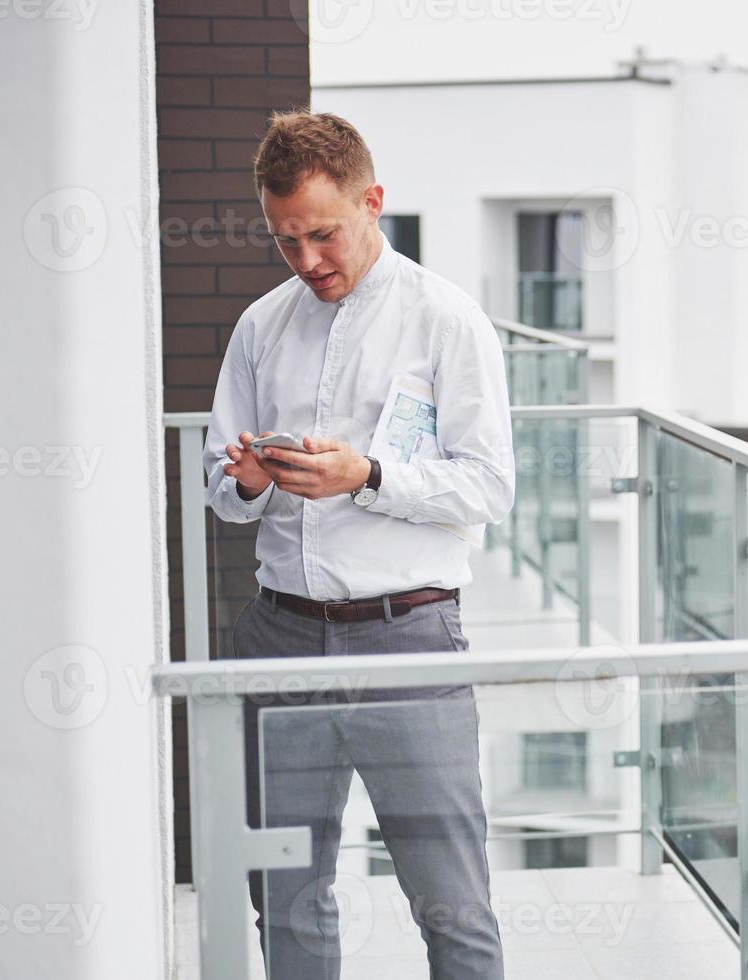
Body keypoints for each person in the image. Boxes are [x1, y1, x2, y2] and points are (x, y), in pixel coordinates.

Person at [203, 110, 514, 979]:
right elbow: (219, 487)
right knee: (287, 902)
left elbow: (490, 487)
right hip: (280, 640)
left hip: (409, 640)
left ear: (372, 199)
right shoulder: (260, 329)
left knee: (452, 904)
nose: (307, 262)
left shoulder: (449, 322)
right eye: (285, 240)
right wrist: (248, 483)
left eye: (322, 233)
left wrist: (367, 475)